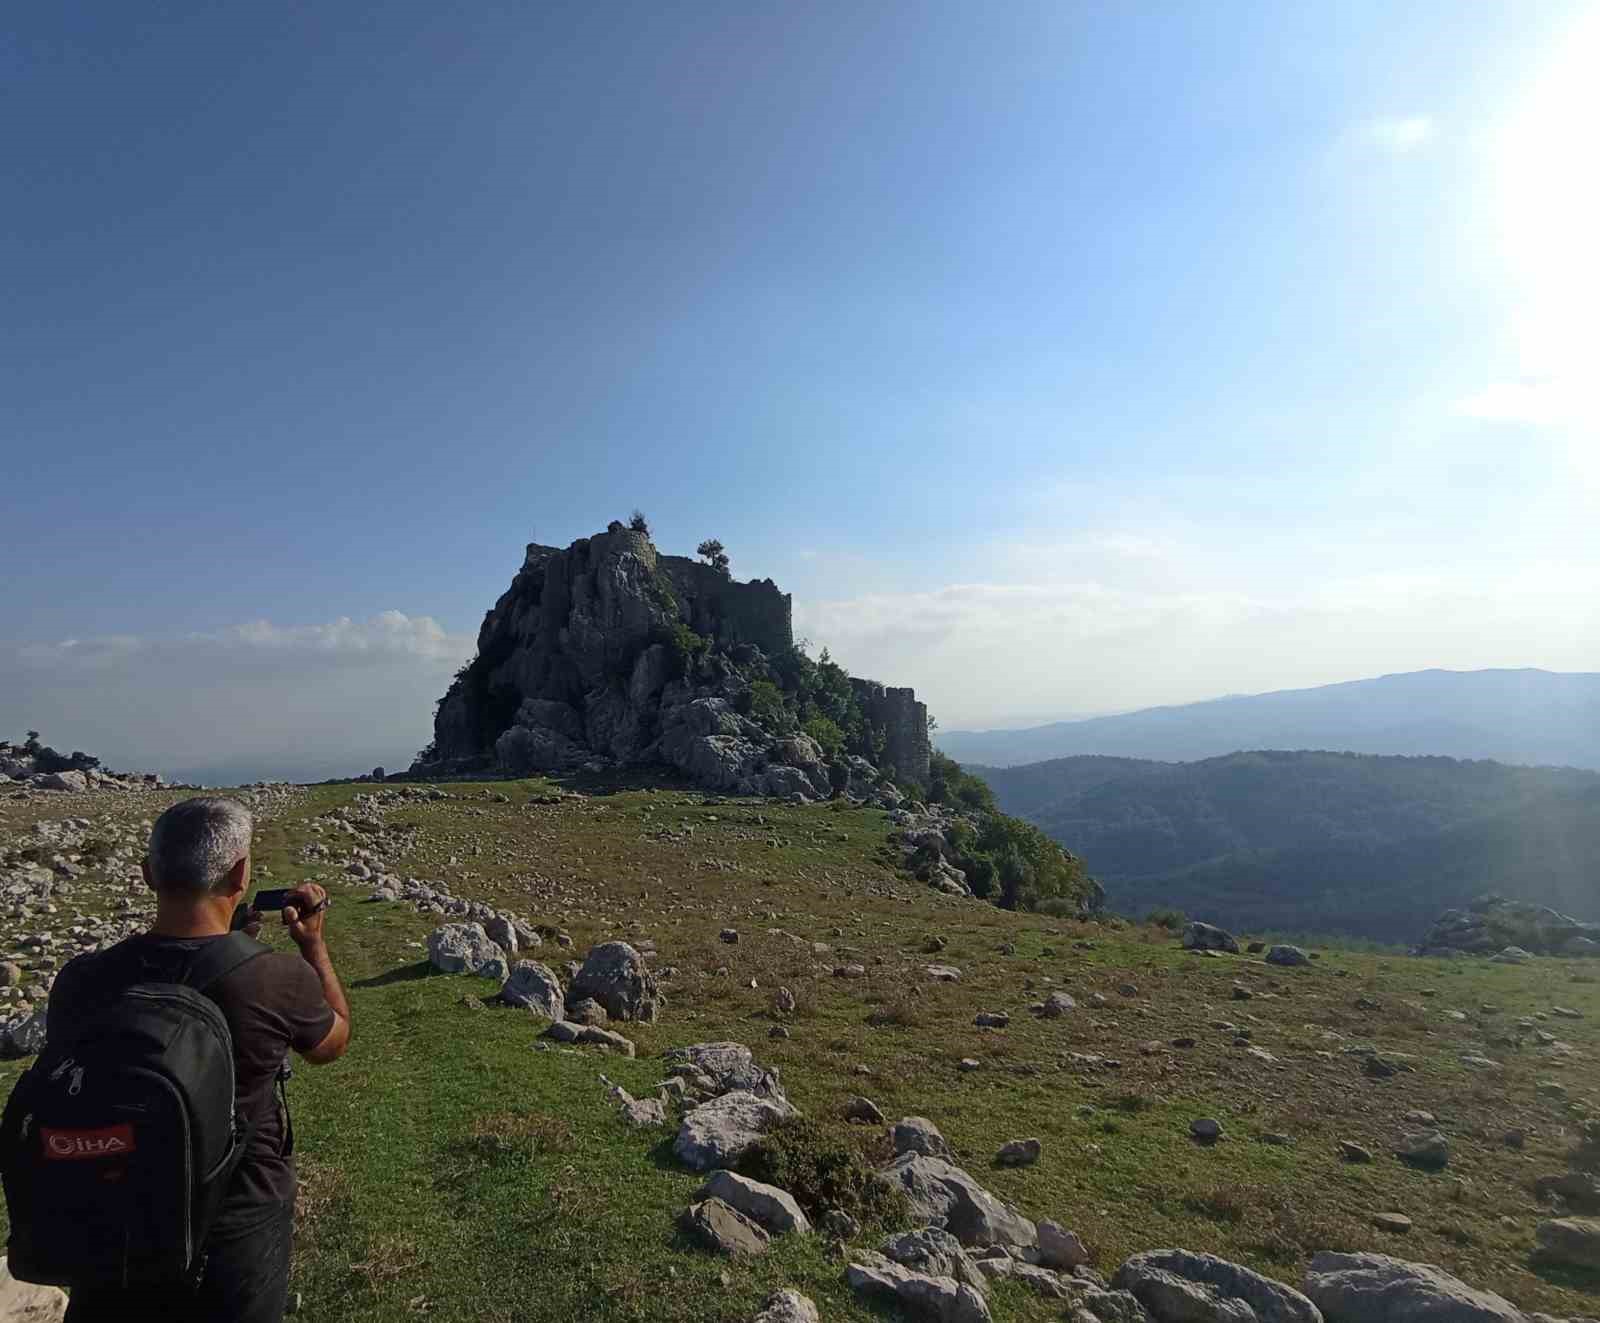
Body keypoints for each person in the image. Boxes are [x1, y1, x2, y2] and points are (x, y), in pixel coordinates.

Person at [46, 796, 352, 1323]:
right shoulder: (273, 978)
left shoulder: (80, 980)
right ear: (240, 875)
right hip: (234, 1226)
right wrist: (313, 946)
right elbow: (332, 1043)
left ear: (147, 874)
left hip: (109, 1217)